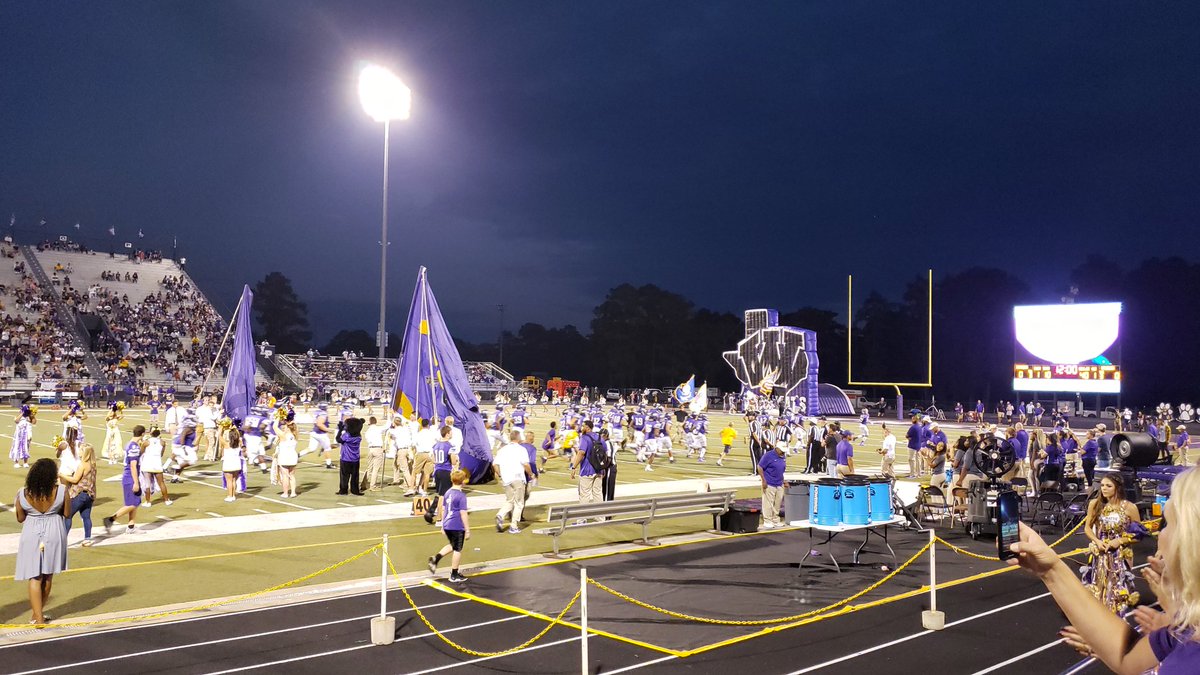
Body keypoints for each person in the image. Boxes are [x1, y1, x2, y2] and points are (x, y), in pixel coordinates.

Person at [1008, 467, 1200, 674]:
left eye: (1168, 524)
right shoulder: (1190, 627)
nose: (1161, 535)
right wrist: (1051, 570)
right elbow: (1129, 657)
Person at [15, 458, 72, 625]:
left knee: (34, 576)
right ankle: (38, 615)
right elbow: (67, 513)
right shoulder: (61, 490)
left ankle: (37, 617)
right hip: (54, 530)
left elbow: (20, 518)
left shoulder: (23, 492)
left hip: (31, 532)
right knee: (48, 575)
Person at [1079, 473, 1143, 615]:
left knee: (1117, 590)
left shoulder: (1130, 507)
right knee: (1099, 586)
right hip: (1100, 554)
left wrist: (1119, 541)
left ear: (1118, 488)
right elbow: (1087, 528)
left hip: (1121, 555)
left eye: (1108, 486)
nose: (1104, 489)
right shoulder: (1095, 504)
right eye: (1102, 485)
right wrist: (1096, 541)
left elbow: (1138, 534)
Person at [427, 469, 470, 583]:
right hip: (457, 524)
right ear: (462, 481)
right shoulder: (461, 496)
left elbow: (445, 509)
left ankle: (436, 559)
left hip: (447, 524)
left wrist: (442, 525)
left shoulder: (448, 493)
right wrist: (467, 529)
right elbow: (463, 513)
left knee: (452, 544)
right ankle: (454, 573)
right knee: (457, 549)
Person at [103, 425, 146, 536]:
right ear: (142, 434)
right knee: (135, 503)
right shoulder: (134, 447)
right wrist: (136, 482)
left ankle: (131, 526)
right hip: (131, 477)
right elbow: (133, 465)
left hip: (128, 476)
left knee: (132, 503)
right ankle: (111, 519)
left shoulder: (131, 444)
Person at [493, 431, 532, 534]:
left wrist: (501, 475)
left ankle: (501, 514)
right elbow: (526, 464)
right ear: (518, 438)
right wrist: (531, 474)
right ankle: (513, 526)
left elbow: (495, 465)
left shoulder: (503, 449)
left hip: (506, 478)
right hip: (518, 477)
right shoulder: (521, 449)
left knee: (509, 500)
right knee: (519, 503)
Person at [424, 426, 457, 525]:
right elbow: (453, 461)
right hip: (445, 471)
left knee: (440, 495)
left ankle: (440, 514)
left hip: (437, 471)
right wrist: (456, 461)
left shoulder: (436, 445)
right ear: (447, 433)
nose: (451, 434)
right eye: (450, 432)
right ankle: (439, 518)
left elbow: (433, 459)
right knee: (443, 496)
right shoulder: (449, 446)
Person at [758, 435, 787, 528]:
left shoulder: (782, 456)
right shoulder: (768, 455)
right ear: (777, 448)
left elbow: (781, 470)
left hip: (779, 483)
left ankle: (775, 519)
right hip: (769, 482)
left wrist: (783, 481)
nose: (783, 452)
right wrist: (763, 480)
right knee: (768, 503)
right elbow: (760, 467)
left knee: (777, 503)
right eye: (781, 450)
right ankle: (767, 520)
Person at [571, 420, 602, 507]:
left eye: (583, 426)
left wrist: (574, 467)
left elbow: (581, 453)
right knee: (598, 494)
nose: (581, 427)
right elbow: (605, 452)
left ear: (587, 428)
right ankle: (600, 518)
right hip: (599, 470)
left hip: (587, 470)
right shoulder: (599, 437)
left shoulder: (584, 437)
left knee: (584, 495)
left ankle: (581, 520)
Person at [139, 428, 171, 506]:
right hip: (157, 464)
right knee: (161, 483)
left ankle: (148, 502)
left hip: (147, 464)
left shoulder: (146, 442)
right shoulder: (162, 442)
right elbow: (161, 454)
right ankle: (166, 500)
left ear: (151, 433)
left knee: (147, 483)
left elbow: (141, 452)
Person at [336, 417, 365, 496]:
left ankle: (343, 490)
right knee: (355, 476)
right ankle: (355, 490)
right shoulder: (358, 437)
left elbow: (338, 439)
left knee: (344, 476)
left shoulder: (346, 436)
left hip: (345, 459)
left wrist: (340, 430)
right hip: (355, 459)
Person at [274, 420, 299, 498]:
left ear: (288, 428)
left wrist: (278, 417)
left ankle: (285, 493)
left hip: (284, 457)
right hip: (293, 457)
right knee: (292, 475)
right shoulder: (295, 435)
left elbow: (274, 427)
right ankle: (293, 492)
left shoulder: (283, 436)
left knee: (285, 476)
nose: (283, 428)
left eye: (284, 427)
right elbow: (296, 427)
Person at [361, 416, 387, 491]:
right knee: (376, 469)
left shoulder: (367, 431)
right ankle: (372, 486)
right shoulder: (378, 429)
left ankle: (363, 483)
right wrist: (390, 416)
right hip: (378, 448)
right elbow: (387, 426)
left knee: (369, 468)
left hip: (371, 449)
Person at [221, 429, 245, 503]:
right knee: (234, 480)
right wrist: (235, 430)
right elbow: (238, 436)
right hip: (236, 464)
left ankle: (230, 496)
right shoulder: (239, 443)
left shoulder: (226, 444)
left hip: (229, 464)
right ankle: (233, 495)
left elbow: (219, 435)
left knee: (229, 481)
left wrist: (221, 428)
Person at [599, 428, 618, 501]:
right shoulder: (603, 443)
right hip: (606, 466)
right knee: (604, 485)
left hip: (610, 467)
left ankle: (608, 502)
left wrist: (603, 467)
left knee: (608, 485)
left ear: (606, 435)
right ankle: (603, 500)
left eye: (602, 435)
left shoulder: (607, 443)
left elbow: (609, 458)